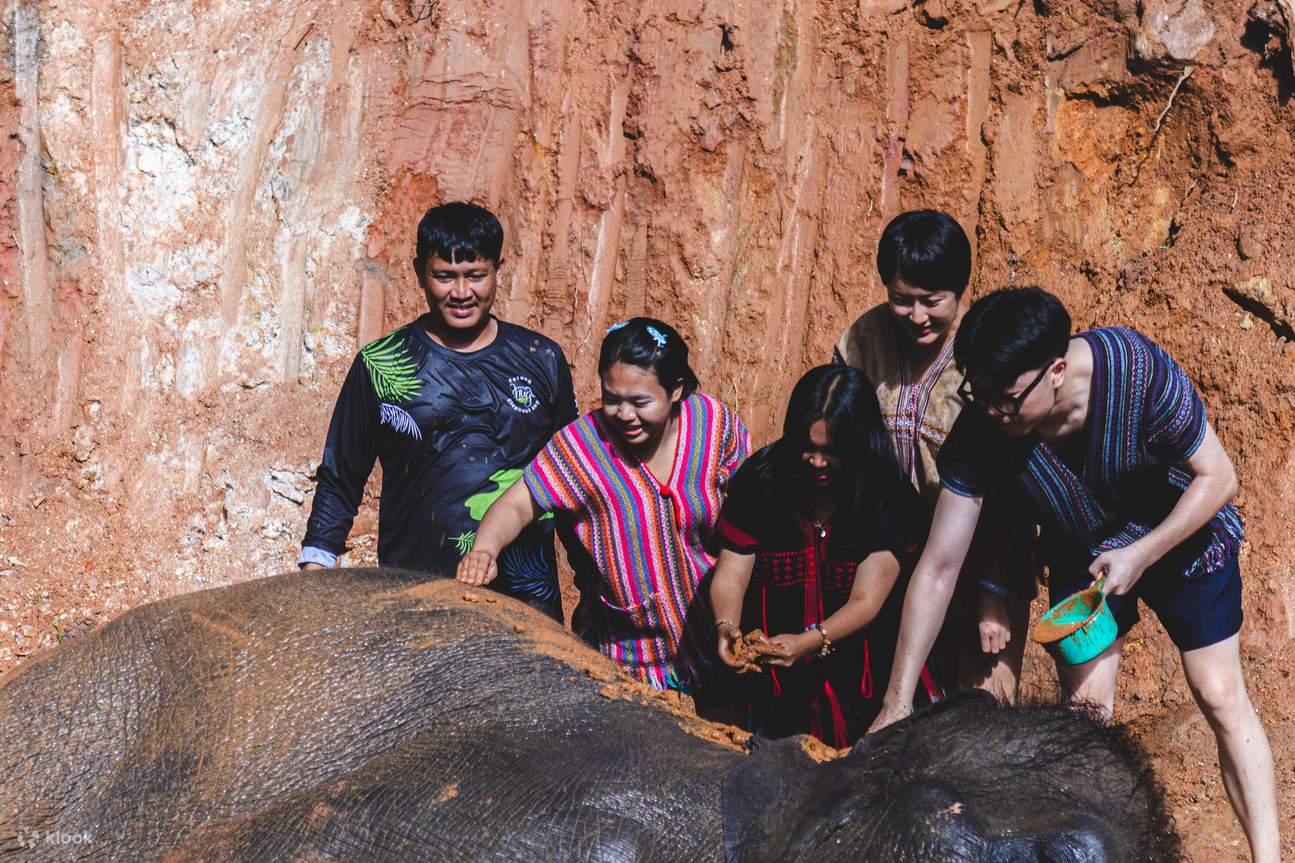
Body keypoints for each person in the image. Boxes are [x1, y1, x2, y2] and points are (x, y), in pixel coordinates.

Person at [870, 287, 1279, 862]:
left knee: (1218, 693)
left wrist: (1143, 551)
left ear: (1057, 371)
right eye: (980, 396)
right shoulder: (985, 427)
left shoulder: (1137, 372)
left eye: (1008, 399)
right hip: (1080, 550)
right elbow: (939, 566)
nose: (993, 412)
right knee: (1083, 721)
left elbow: (1218, 477)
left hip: (1181, 532)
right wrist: (898, 700)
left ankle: (1268, 856)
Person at [299, 202, 577, 621]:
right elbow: (341, 479)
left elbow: (576, 481)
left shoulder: (542, 360)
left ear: (499, 270)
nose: (461, 292)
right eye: (444, 276)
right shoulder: (381, 363)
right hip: (413, 600)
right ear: (418, 272)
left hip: (526, 606)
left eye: (475, 275)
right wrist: (314, 574)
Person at [458, 318, 750, 693]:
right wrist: (485, 549)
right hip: (631, 664)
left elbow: (750, 516)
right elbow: (517, 503)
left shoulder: (714, 425)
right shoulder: (582, 446)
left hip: (718, 640)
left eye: (640, 402)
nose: (625, 415)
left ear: (676, 390)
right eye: (612, 399)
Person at [833, 210, 1036, 701]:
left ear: (959, 290)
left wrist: (991, 588)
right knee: (890, 702)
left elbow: (1012, 490)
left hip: (981, 560)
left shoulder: (988, 353)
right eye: (902, 301)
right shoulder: (861, 342)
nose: (917, 316)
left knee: (977, 711)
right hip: (890, 559)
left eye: (932, 301)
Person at [708, 365, 942, 747]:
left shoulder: (888, 496)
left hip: (863, 673)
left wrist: (809, 642)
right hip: (779, 685)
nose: (817, 463)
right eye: (807, 448)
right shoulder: (762, 482)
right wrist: (726, 626)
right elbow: (732, 572)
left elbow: (867, 600)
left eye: (831, 452)